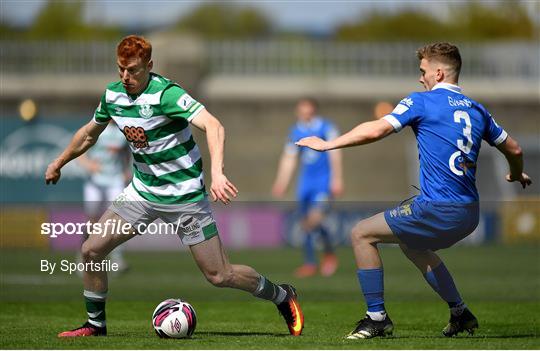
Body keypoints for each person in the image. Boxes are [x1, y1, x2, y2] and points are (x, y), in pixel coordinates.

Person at [45, 35, 304, 337]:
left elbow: (214, 125)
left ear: (149, 66)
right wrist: (59, 162)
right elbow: (90, 134)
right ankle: (95, 325)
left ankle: (283, 296)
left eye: (133, 71)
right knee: (91, 250)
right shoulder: (113, 95)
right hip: (142, 193)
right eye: (121, 69)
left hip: (185, 197)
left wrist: (217, 174)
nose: (126, 77)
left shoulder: (167, 94)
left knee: (220, 275)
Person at [296, 42, 532, 339]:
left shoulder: (422, 102)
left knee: (360, 234)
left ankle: (376, 317)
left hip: (436, 208)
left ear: (439, 73)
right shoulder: (477, 110)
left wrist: (328, 144)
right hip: (470, 213)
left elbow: (377, 129)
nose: (421, 78)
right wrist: (514, 171)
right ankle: (459, 312)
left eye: (423, 72)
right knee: (414, 246)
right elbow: (514, 147)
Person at [272, 98, 343, 277]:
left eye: (308, 110)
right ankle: (311, 263)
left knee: (314, 220)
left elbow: (336, 152)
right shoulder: (295, 131)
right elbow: (289, 158)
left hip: (323, 183)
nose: (305, 114)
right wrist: (281, 183)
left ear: (314, 110)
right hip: (305, 184)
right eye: (302, 111)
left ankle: (328, 255)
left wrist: (337, 178)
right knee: (306, 224)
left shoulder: (326, 127)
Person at [78, 122, 131, 273]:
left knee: (120, 219)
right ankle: (84, 257)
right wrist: (89, 165)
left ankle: (117, 259)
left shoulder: (124, 130)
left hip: (115, 181)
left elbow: (127, 152)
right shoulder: (97, 129)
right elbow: (79, 151)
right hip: (95, 182)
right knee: (92, 221)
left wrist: (127, 169)